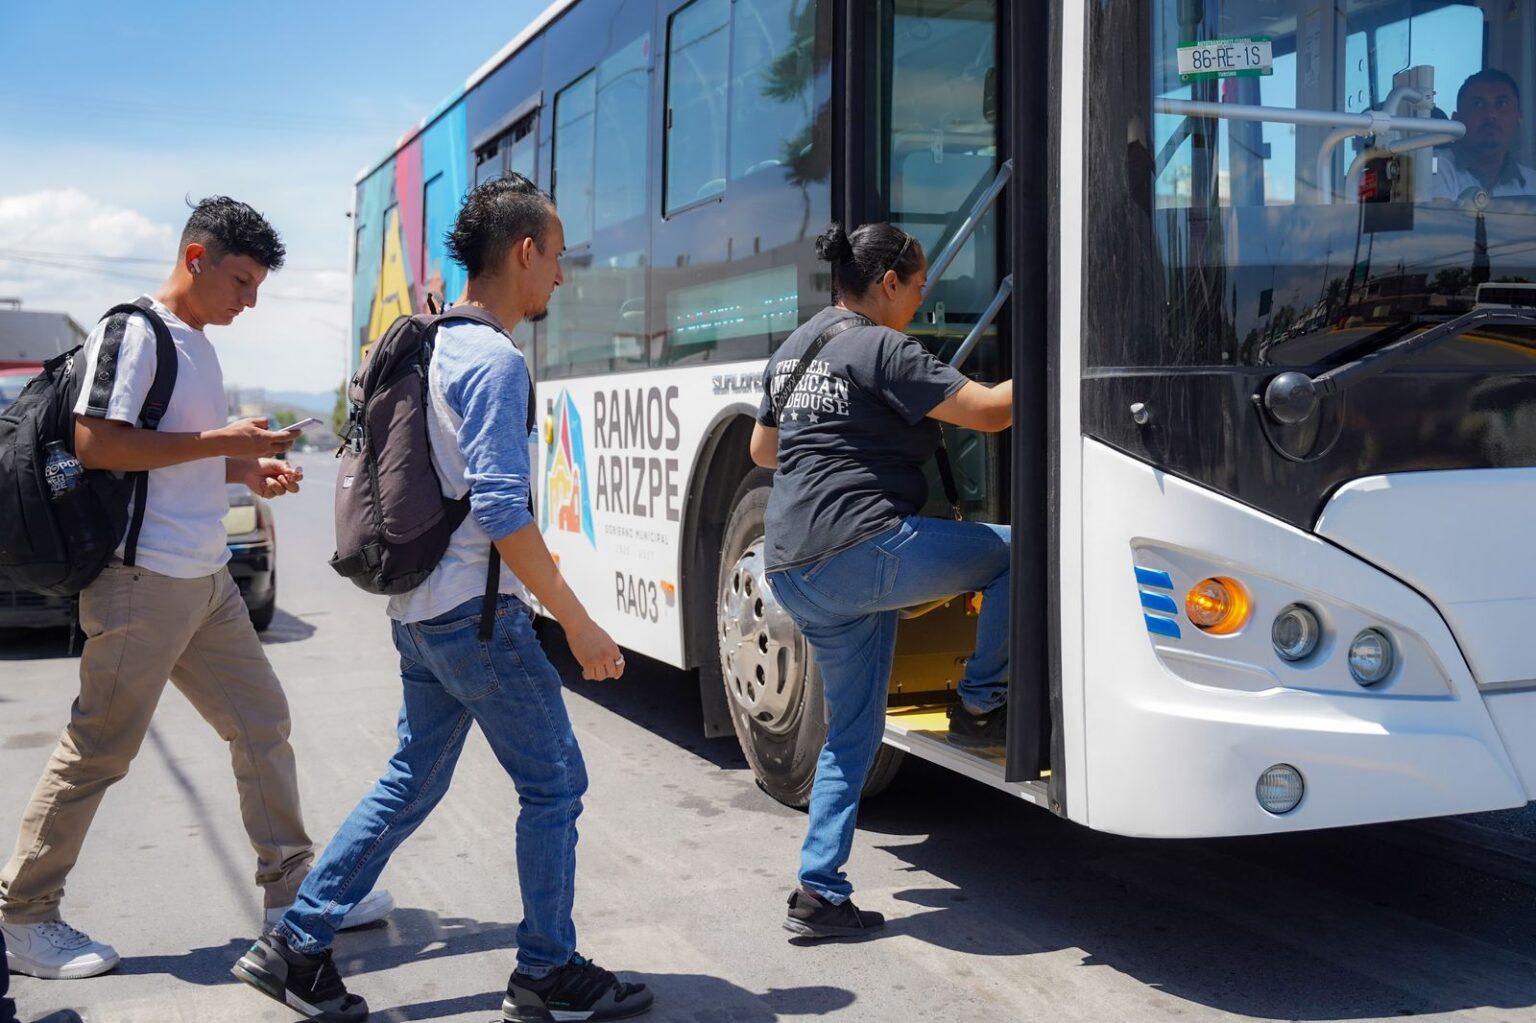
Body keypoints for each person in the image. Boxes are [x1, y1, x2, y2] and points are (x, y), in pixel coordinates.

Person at [231, 174, 653, 1023]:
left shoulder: (429, 343)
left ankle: (296, 940)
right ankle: (547, 970)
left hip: (420, 613)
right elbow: (501, 509)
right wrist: (578, 620)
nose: (562, 278)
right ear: (525, 252)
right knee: (555, 782)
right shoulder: (494, 360)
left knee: (410, 778)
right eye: (558, 257)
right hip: (477, 617)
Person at [0, 197, 393, 982]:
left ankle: (292, 898)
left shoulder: (200, 347)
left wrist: (246, 468)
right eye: (242, 281)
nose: (249, 301)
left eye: (257, 287)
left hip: (205, 580)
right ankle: (24, 916)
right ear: (195, 259)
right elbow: (96, 443)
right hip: (140, 583)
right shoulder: (133, 330)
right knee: (99, 748)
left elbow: (171, 455)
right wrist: (224, 441)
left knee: (261, 723)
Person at [752, 222, 1014, 940]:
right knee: (1011, 555)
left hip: (790, 566)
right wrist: (1064, 360)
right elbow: (991, 413)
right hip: (860, 549)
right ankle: (981, 704)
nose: (923, 299)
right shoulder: (882, 347)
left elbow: (762, 448)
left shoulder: (793, 349)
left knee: (854, 731)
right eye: (920, 285)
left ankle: (818, 892)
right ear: (889, 282)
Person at [1433, 68, 1536, 200]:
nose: (1490, 114)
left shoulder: (1533, 185)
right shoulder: (1431, 169)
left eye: (1502, 104)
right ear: (1456, 119)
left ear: (1519, 118)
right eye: (1477, 104)